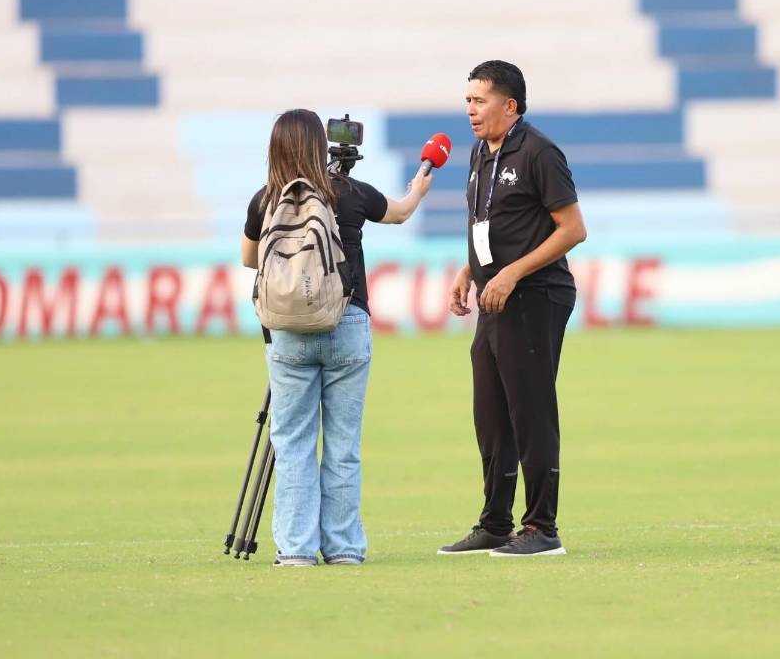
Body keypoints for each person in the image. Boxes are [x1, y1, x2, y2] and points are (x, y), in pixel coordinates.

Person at [242, 109, 432, 566]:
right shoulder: (349, 193)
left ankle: (296, 550)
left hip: (287, 331)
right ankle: (344, 548)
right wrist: (419, 186)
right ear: (319, 145)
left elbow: (250, 260)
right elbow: (401, 213)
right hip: (346, 322)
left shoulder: (264, 199)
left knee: (292, 445)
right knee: (343, 446)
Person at [439, 60, 587, 557]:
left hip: (536, 294)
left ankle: (543, 527)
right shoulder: (482, 152)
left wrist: (511, 272)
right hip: (495, 297)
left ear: (510, 106)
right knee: (491, 412)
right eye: (467, 101)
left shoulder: (540, 153)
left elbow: (572, 229)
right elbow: (488, 224)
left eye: (479, 101)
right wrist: (469, 271)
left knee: (530, 409)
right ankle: (495, 523)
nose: (470, 111)